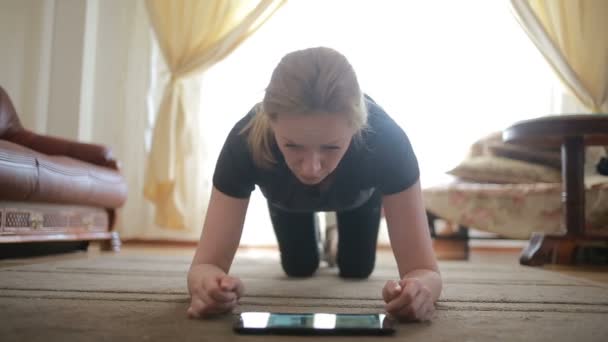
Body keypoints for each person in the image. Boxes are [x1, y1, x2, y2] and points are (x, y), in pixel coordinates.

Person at [187, 47, 442, 322]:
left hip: (356, 197)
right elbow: (205, 265)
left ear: (356, 127)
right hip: (287, 198)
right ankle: (324, 239)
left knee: (356, 269)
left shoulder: (387, 141)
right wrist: (208, 285)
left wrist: (420, 290)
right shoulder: (244, 141)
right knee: (299, 267)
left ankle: (334, 238)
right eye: (292, 146)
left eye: (331, 147)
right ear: (271, 123)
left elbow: (425, 271)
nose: (311, 168)